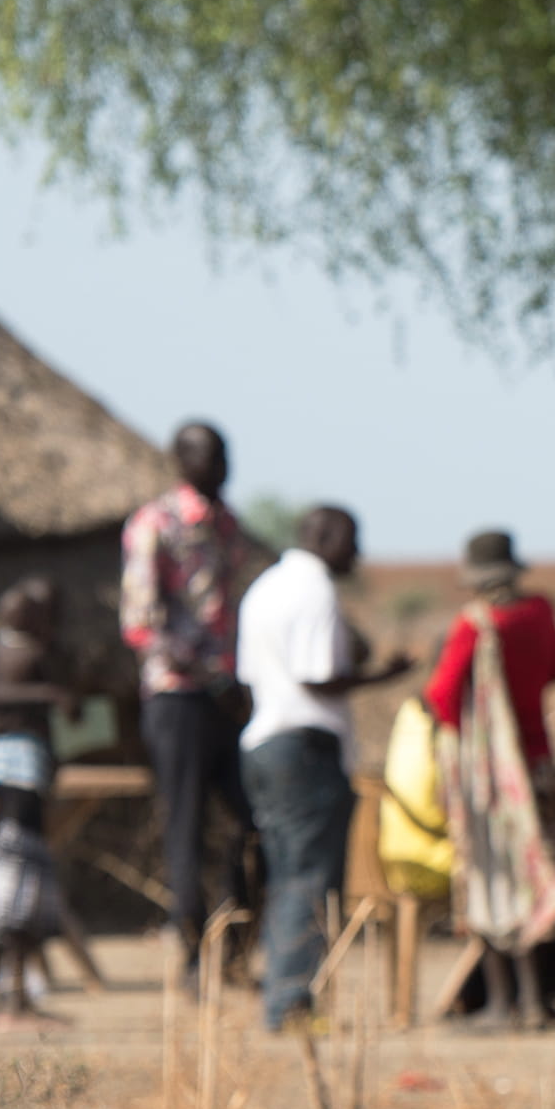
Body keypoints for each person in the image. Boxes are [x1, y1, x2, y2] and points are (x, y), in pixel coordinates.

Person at [234, 506, 410, 1031]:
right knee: (309, 879)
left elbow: (249, 676)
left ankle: (286, 998)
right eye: (351, 540)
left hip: (264, 744)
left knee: (287, 875)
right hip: (304, 748)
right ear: (325, 537)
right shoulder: (314, 592)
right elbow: (316, 678)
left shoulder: (264, 587)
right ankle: (291, 1005)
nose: (357, 553)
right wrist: (383, 676)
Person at [423, 529, 555, 1016]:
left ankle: (505, 1002)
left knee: (492, 878)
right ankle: (538, 998)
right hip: (539, 765)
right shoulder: (541, 613)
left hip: (492, 778)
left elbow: (443, 698)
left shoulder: (476, 625)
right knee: (539, 878)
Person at [119, 419, 254, 977]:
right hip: (178, 699)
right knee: (187, 824)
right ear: (183, 462)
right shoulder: (155, 525)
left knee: (254, 819)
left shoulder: (229, 528)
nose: (223, 468)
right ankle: (193, 950)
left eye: (226, 456)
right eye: (211, 457)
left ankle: (238, 941)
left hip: (226, 699)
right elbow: (141, 624)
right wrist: (207, 673)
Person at [0, 578, 74, 1026]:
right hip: (17, 775)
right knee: (15, 890)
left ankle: (5, 994)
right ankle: (5, 996)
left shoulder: (31, 656)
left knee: (14, 887)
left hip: (22, 774)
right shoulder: (6, 657)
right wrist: (48, 695)